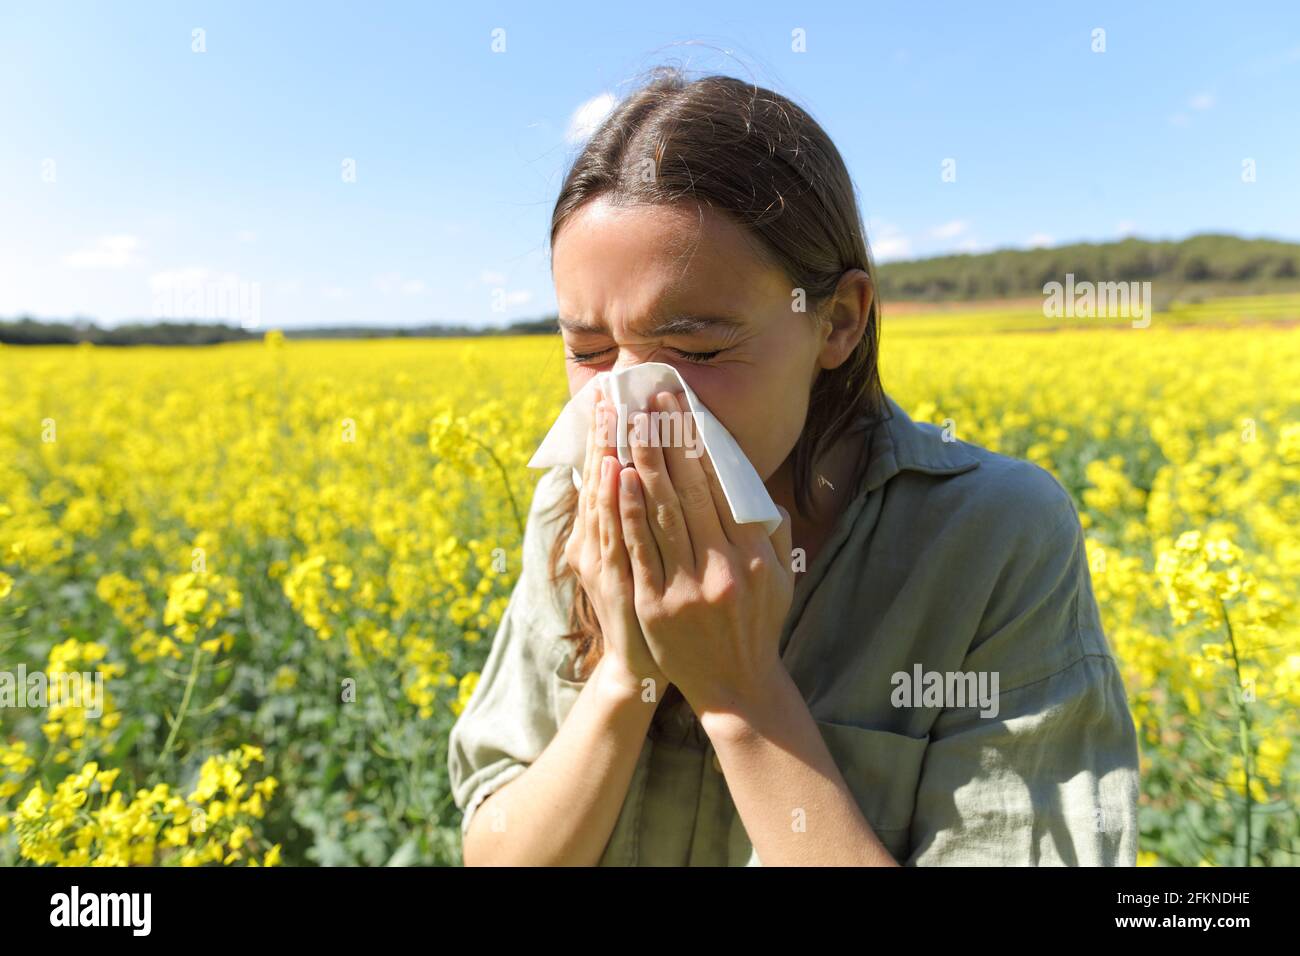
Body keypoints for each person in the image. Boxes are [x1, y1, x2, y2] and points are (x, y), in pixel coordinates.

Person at [448, 68, 1140, 866]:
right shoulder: (573, 507)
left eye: (698, 349)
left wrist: (741, 696)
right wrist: (620, 681)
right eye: (589, 351)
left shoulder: (994, 538)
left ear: (837, 321)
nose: (634, 405)